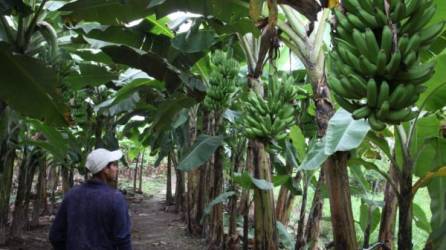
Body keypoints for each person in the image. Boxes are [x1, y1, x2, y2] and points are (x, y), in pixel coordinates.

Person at [49, 148, 132, 250]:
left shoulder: (72, 195)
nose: (116, 169)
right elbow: (123, 240)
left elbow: (55, 236)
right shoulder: (115, 198)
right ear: (105, 169)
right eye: (114, 165)